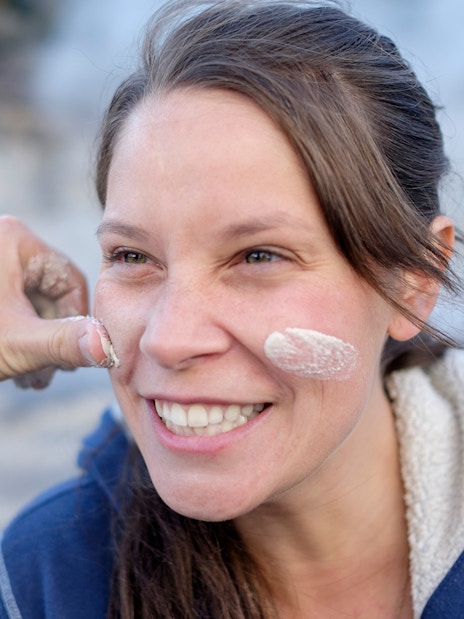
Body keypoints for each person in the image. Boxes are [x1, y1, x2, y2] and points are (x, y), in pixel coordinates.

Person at [0, 0, 463, 616]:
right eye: (133, 257)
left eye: (259, 256)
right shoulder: (43, 578)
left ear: (413, 280)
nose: (169, 339)